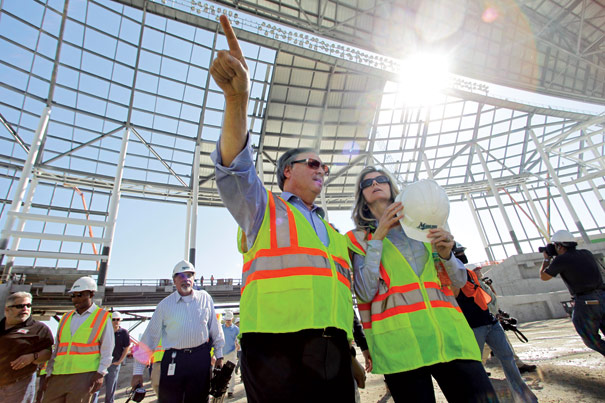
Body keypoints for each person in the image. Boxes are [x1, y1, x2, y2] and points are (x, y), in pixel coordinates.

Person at [210, 15, 355, 402]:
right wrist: (237, 100)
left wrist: (351, 349)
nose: (321, 169)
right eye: (313, 163)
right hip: (275, 350)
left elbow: (341, 293)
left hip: (333, 350)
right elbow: (234, 169)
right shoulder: (263, 209)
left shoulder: (334, 234)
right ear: (287, 171)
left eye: (324, 166)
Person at [346, 169, 496, 402]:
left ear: (392, 187)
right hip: (402, 347)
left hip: (450, 339)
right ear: (362, 196)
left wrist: (447, 256)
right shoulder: (359, 239)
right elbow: (365, 291)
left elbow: (458, 283)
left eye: (381, 180)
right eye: (367, 183)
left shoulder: (424, 226)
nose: (375, 184)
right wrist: (378, 238)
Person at [131, 260, 224, 402]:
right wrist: (137, 371)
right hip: (174, 361)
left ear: (194, 279)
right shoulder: (164, 306)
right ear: (174, 280)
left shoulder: (205, 299)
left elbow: (215, 329)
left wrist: (219, 356)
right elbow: (149, 337)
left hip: (200, 360)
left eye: (189, 275)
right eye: (181, 276)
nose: (185, 279)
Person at [455, 268, 538, 402]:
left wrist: (496, 314)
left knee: (508, 358)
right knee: (474, 365)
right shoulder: (450, 274)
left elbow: (485, 297)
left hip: (491, 323)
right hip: (474, 327)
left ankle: (524, 396)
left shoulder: (469, 273)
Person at [43, 277, 114, 403]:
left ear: (91, 294)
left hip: (84, 375)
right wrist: (49, 372)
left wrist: (101, 373)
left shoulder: (102, 317)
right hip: (58, 374)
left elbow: (107, 348)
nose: (75, 299)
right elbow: (57, 348)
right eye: (73, 296)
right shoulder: (65, 318)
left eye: (80, 295)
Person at [540, 229, 605, 356]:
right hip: (603, 296)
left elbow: (544, 276)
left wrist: (547, 259)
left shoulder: (561, 260)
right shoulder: (587, 253)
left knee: (590, 338)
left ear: (559, 246)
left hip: (586, 302)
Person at [1, 292, 53, 403]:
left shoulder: (39, 329)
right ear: (7, 309)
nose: (25, 309)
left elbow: (48, 352)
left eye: (28, 306)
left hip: (19, 383)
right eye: (20, 306)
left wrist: (32, 357)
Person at [102, 311, 130, 403]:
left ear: (120, 320)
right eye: (113, 319)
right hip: (103, 361)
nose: (116, 321)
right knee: (96, 386)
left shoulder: (124, 333)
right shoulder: (105, 331)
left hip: (114, 362)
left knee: (110, 387)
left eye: (117, 319)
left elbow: (126, 347)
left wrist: (120, 361)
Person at [221, 310, 239, 398]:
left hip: (231, 353)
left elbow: (238, 339)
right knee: (222, 372)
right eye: (226, 320)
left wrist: (238, 344)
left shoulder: (236, 329)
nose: (228, 321)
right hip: (222, 353)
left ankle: (230, 391)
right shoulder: (221, 328)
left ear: (232, 319)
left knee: (231, 372)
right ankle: (221, 388)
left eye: (229, 320)